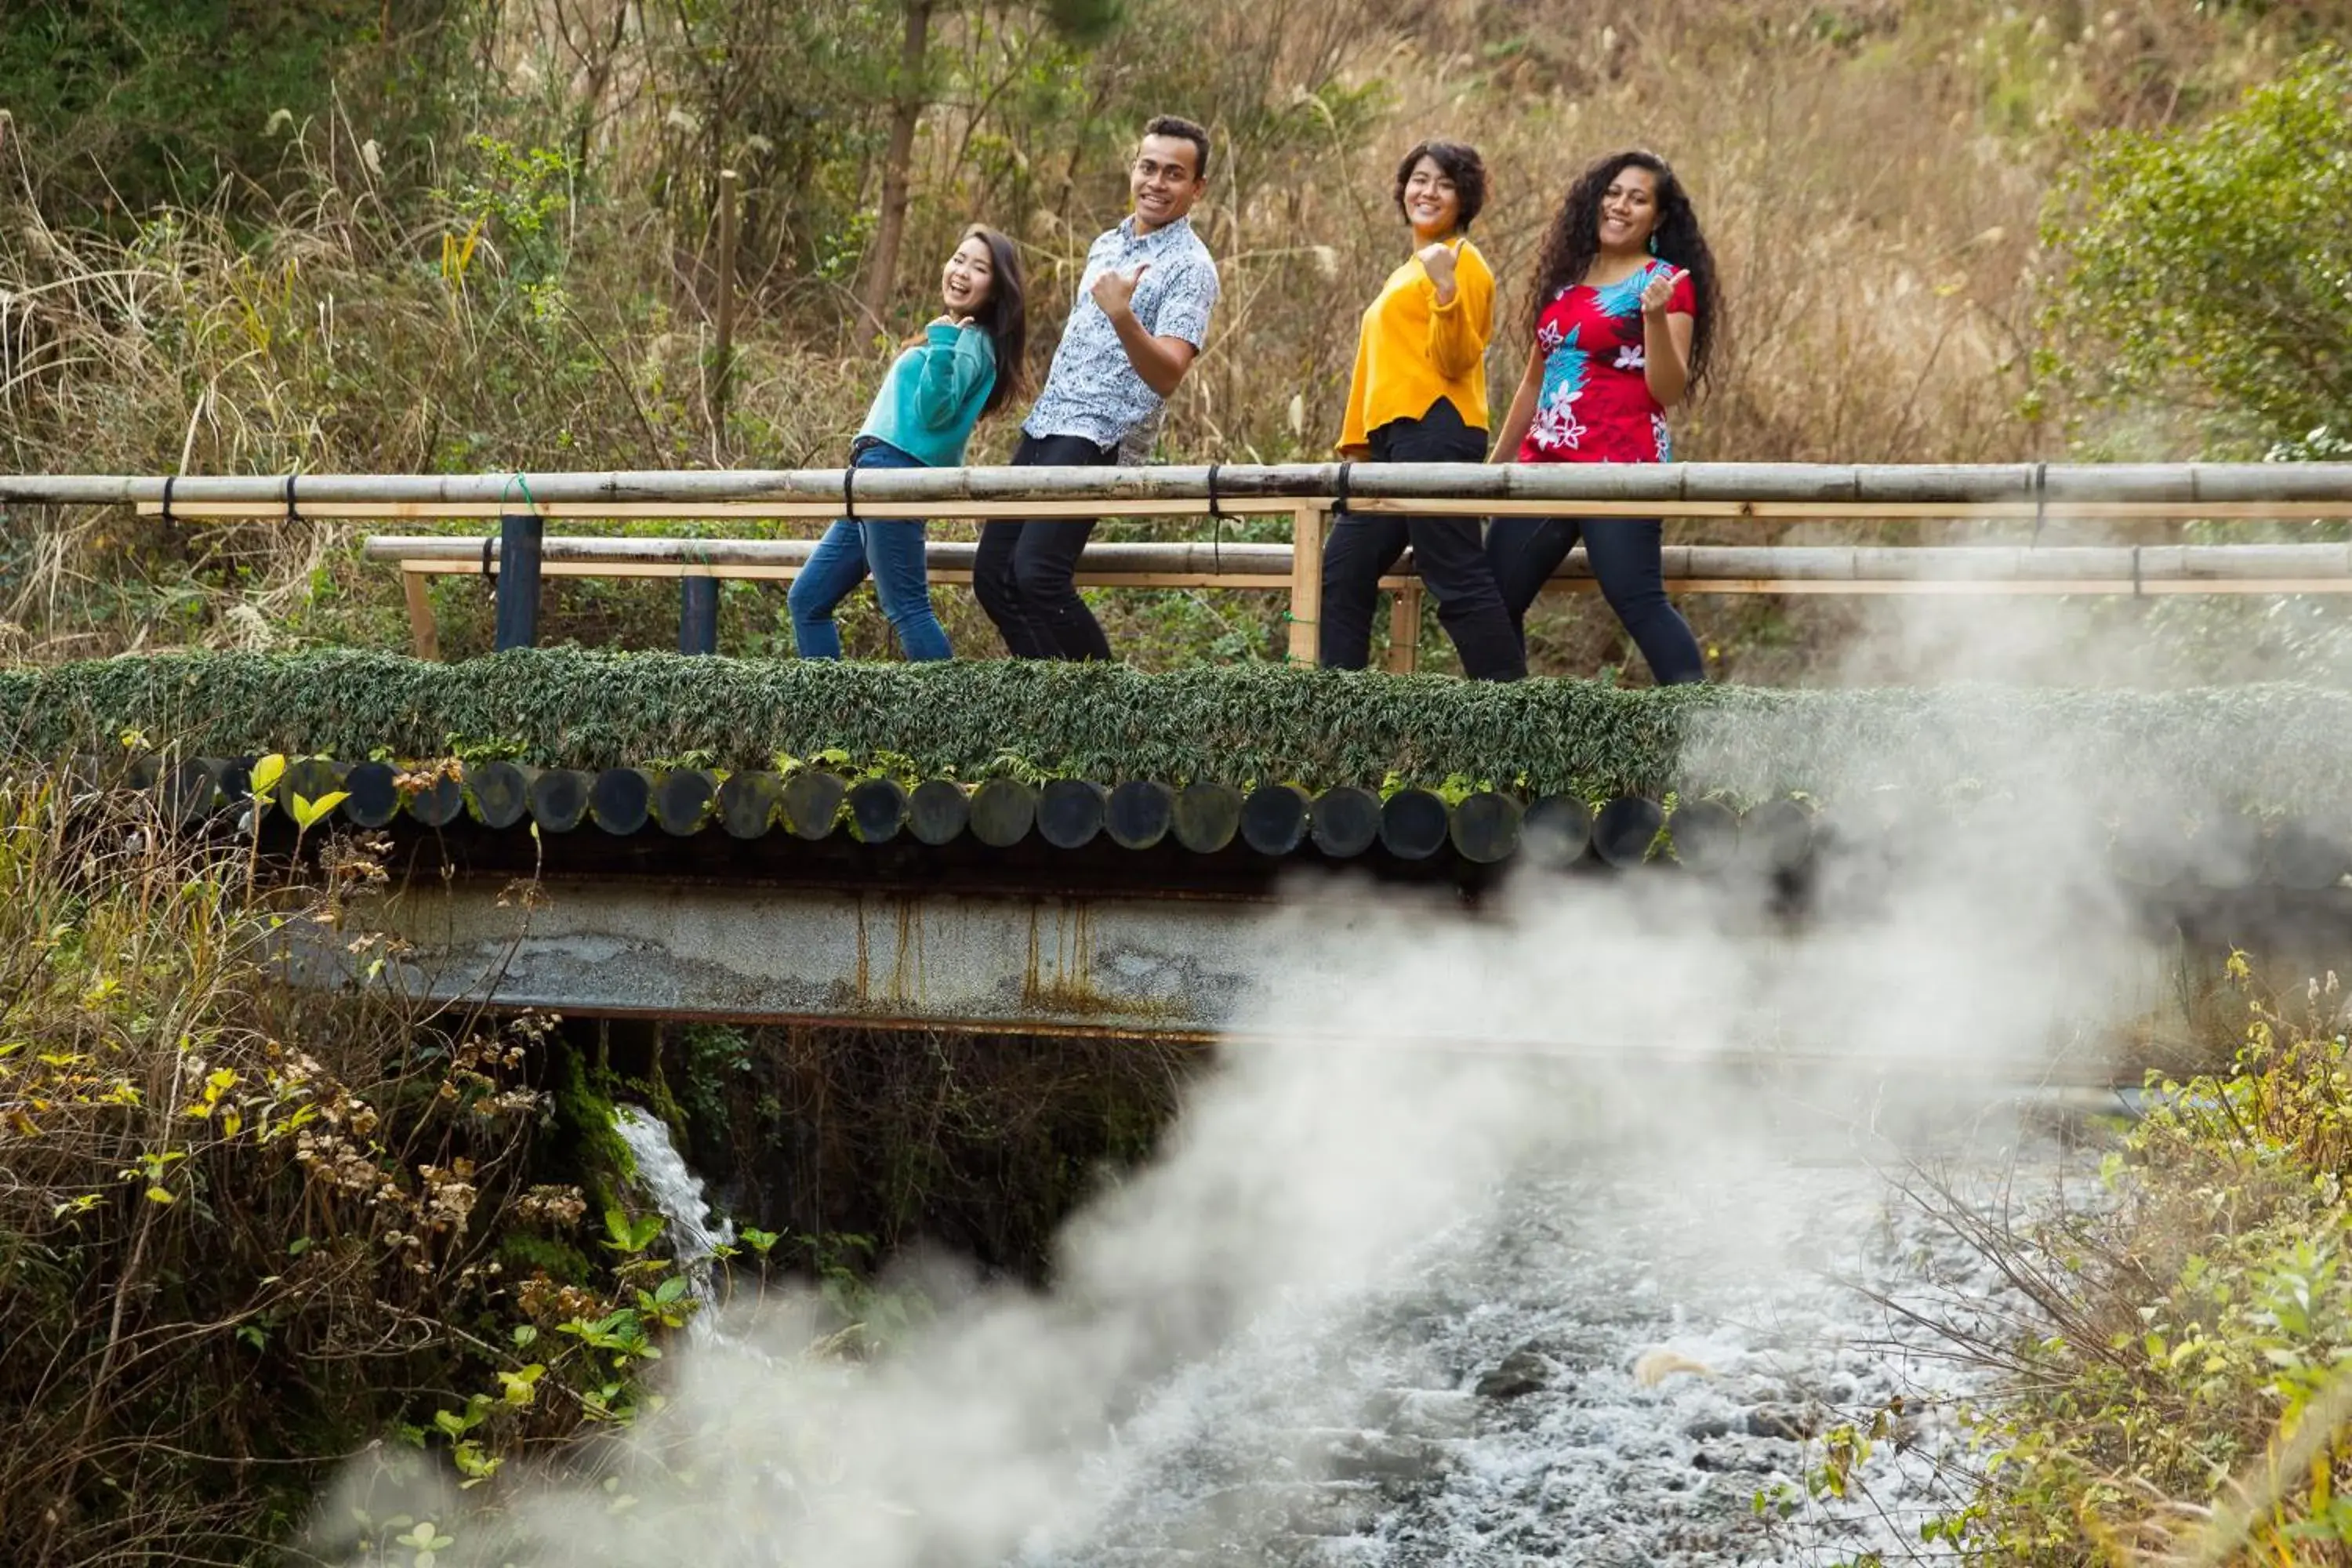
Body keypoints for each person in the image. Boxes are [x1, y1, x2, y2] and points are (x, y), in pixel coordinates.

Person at [973, 114, 1220, 660]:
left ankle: (1115, 715)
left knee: (1037, 574)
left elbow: (1168, 373)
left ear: (1197, 188)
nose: (1157, 182)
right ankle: (1053, 709)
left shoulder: (1191, 267)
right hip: (1049, 420)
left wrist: (1124, 317)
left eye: (1174, 174)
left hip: (1101, 432)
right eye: (1148, 167)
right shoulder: (1105, 244)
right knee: (993, 578)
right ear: (1133, 169)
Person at [1485, 149, 1720, 684]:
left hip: (1622, 466)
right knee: (1491, 603)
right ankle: (1510, 742)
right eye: (1613, 193)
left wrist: (1655, 316)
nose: (1620, 206)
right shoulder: (1567, 279)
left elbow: (1667, 389)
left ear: (1658, 218)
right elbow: (1533, 382)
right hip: (1544, 465)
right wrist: (1490, 474)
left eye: (1638, 199)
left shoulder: (1666, 282)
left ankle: (1700, 732)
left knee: (1638, 601)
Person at [1319, 140, 1523, 681]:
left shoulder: (1463, 261)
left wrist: (1447, 288)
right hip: (1392, 444)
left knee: (1453, 573)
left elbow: (1458, 359)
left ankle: (1516, 719)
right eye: (1420, 179)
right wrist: (1360, 446)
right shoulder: (1405, 271)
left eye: (1445, 183)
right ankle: (1338, 724)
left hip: (1438, 428)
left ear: (1465, 199)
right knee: (1342, 571)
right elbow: (1378, 367)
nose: (1428, 191)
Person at [789, 226, 1028, 660]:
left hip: (895, 475)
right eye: (958, 259)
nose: (961, 271)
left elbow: (935, 411)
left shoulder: (972, 341)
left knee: (908, 608)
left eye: (979, 268)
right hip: (872, 478)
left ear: (996, 289)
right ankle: (827, 717)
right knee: (807, 600)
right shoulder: (964, 337)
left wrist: (941, 344)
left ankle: (951, 721)